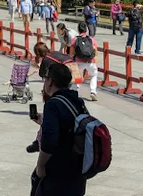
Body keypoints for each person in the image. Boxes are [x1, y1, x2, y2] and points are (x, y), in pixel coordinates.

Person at [33, 63, 89, 196]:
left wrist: (40, 166)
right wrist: (44, 122)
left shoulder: (52, 104)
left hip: (59, 168)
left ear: (51, 81)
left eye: (45, 78)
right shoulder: (77, 101)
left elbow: (50, 142)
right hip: (78, 168)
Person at [69, 21, 98, 101]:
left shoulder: (75, 39)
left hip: (78, 61)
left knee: (77, 76)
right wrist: (94, 60)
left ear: (78, 30)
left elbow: (71, 53)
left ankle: (75, 92)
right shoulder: (91, 39)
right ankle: (93, 92)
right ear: (86, 30)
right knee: (93, 75)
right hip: (90, 61)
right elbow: (95, 50)